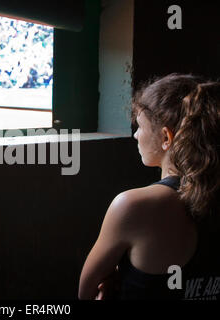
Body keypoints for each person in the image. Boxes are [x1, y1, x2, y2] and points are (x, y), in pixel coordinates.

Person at [78, 73, 220, 300]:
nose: (135, 135)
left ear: (166, 137)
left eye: (140, 126)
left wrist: (118, 276)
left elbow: (86, 293)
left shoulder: (133, 206)